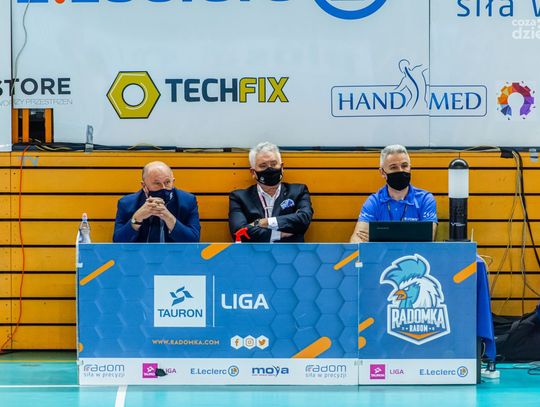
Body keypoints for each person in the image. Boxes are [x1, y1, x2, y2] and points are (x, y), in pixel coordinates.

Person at [349, 144, 437, 243]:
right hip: (381, 254)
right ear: (382, 172)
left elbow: (428, 238)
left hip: (414, 253)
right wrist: (411, 236)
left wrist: (379, 238)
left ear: (410, 167)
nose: (400, 170)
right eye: (393, 167)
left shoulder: (425, 199)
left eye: (404, 166)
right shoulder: (373, 202)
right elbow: (356, 241)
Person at [228, 142, 313, 242]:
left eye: (273, 164)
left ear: (282, 167)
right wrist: (279, 235)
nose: (269, 169)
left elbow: (304, 219)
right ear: (253, 172)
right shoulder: (239, 197)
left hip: (290, 251)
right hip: (255, 251)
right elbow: (239, 233)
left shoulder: (298, 191)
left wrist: (264, 222)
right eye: (263, 166)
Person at [113, 161, 200, 243]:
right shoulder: (126, 203)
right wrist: (136, 218)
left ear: (173, 181)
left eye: (167, 182)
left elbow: (193, 241)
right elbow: (118, 242)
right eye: (157, 183)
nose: (163, 188)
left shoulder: (188, 201)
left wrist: (168, 217)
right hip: (139, 253)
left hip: (174, 253)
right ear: (144, 185)